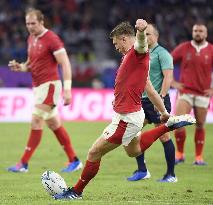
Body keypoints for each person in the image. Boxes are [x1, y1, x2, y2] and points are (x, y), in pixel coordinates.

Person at [52, 19, 195, 200]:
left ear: (125, 38)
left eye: (116, 42)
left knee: (94, 152)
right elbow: (149, 89)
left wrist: (141, 31)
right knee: (133, 152)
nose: (115, 47)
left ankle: (76, 192)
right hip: (130, 114)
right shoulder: (132, 60)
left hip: (127, 119)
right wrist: (164, 113)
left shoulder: (137, 53)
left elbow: (141, 45)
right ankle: (168, 126)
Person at [7, 9, 82, 173]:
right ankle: (74, 160)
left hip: (51, 86)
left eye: (33, 23)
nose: (30, 27)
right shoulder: (31, 38)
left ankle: (23, 164)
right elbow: (31, 64)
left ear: (42, 22)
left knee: (35, 120)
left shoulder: (52, 39)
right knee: (54, 124)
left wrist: (68, 90)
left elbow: (65, 64)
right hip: (38, 87)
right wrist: (20, 67)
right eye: (27, 24)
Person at [127, 24, 176, 182]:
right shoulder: (142, 53)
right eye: (143, 34)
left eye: (148, 34)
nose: (145, 37)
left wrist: (161, 97)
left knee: (164, 136)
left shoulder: (162, 54)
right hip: (141, 100)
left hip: (157, 100)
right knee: (132, 133)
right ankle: (142, 170)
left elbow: (168, 77)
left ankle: (170, 175)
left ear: (156, 36)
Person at [171, 23, 213, 165]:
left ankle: (198, 157)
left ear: (206, 34)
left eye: (201, 31)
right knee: (179, 123)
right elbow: (167, 62)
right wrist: (172, 82)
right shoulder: (184, 47)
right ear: (192, 32)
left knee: (200, 124)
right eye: (195, 31)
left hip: (203, 93)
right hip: (186, 92)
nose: (198, 33)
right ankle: (179, 154)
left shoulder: (211, 50)